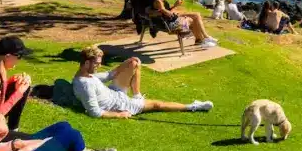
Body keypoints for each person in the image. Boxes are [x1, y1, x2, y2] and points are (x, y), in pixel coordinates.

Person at [72, 46, 213, 119]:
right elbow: (94, 112)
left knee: (134, 63)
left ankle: (137, 94)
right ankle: (193, 106)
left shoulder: (88, 75)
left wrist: (127, 62)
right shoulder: (85, 85)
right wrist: (118, 115)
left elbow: (110, 75)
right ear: (86, 63)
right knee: (157, 105)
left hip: (115, 92)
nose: (99, 66)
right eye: (96, 64)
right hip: (120, 104)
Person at [0, 36, 33, 132]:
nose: (19, 60)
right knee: (23, 89)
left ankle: (13, 129)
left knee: (22, 85)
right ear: (8, 56)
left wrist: (12, 81)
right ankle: (13, 130)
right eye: (19, 57)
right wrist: (19, 92)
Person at [151, 0, 217, 47]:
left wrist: (175, 7)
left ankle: (201, 40)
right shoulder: (158, 1)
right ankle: (205, 38)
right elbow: (168, 14)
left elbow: (166, 12)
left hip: (169, 21)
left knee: (196, 16)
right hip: (170, 24)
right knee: (195, 17)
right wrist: (176, 6)